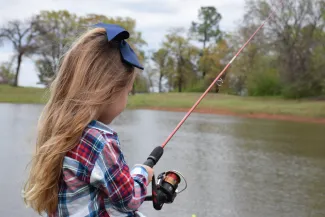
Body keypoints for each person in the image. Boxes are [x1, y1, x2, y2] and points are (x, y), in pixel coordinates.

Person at [23, 23, 154, 217]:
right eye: (128, 92)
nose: (127, 100)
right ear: (109, 91)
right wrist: (143, 174)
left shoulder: (59, 131)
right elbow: (128, 200)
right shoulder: (98, 142)